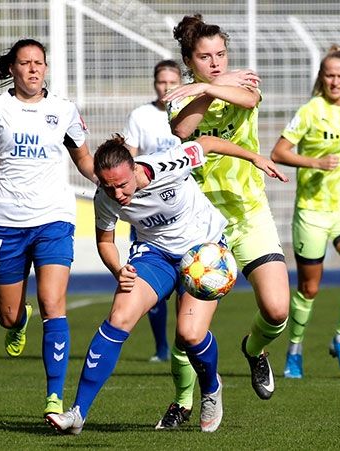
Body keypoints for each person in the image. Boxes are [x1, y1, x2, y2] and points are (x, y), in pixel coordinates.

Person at [45, 134, 288, 435]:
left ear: (134, 168)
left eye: (121, 185)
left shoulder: (169, 163)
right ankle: (78, 413)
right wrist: (118, 268)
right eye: (109, 186)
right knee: (119, 318)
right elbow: (105, 241)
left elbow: (209, 143)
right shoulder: (105, 197)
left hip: (202, 252)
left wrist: (254, 157)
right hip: (154, 256)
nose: (117, 193)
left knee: (189, 334)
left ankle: (211, 388)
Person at [0, 39, 96, 426]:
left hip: (54, 219)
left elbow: (84, 160)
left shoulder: (63, 111)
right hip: (5, 224)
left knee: (53, 303)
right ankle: (18, 323)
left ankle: (54, 397)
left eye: (39, 63)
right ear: (12, 69)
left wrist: (113, 178)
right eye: (25, 63)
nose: (33, 69)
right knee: (9, 314)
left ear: (46, 68)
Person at [157, 14, 290, 428]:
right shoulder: (181, 99)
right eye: (204, 57)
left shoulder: (241, 83)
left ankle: (254, 350)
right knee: (187, 332)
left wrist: (210, 85)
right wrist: (203, 90)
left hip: (249, 212)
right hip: (202, 224)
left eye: (221, 55)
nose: (215, 63)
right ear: (189, 61)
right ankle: (182, 401)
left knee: (276, 310)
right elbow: (185, 130)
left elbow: (248, 100)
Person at [270, 45, 340, 378]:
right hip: (311, 210)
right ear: (321, 77)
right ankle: (295, 350)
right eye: (329, 75)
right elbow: (279, 152)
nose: (335, 81)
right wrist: (314, 162)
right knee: (309, 289)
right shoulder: (310, 111)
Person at [122, 59, 183, 362]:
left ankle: (185, 341)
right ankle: (161, 346)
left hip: (183, 208)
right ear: (154, 83)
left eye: (172, 82)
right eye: (162, 81)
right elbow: (129, 159)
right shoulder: (141, 116)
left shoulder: (190, 112)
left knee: (190, 277)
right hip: (148, 210)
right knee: (149, 278)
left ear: (180, 83)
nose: (166, 87)